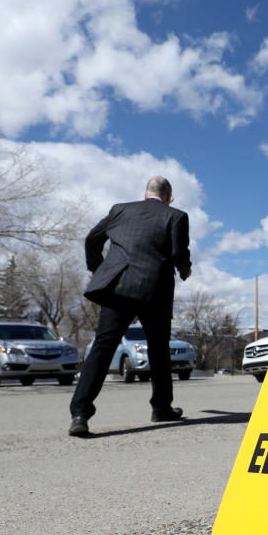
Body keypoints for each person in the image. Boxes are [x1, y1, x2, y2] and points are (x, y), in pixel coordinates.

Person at [69, 176, 192, 437]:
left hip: (118, 286)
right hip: (154, 289)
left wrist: (97, 268)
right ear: (168, 196)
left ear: (146, 193)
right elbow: (179, 252)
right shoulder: (176, 216)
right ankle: (161, 408)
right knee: (159, 350)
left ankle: (80, 414)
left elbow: (92, 239)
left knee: (103, 347)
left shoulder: (120, 210)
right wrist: (185, 270)